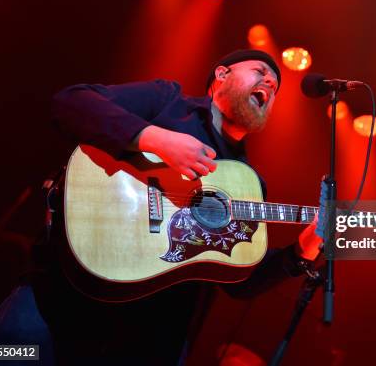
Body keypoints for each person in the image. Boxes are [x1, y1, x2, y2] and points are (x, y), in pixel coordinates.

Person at [21, 49, 321, 365]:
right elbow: (71, 103)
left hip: (151, 339)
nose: (270, 82)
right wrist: (154, 139)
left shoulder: (250, 183)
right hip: (58, 296)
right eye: (261, 71)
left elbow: (240, 280)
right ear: (221, 75)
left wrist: (304, 248)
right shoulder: (169, 102)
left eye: (274, 86)